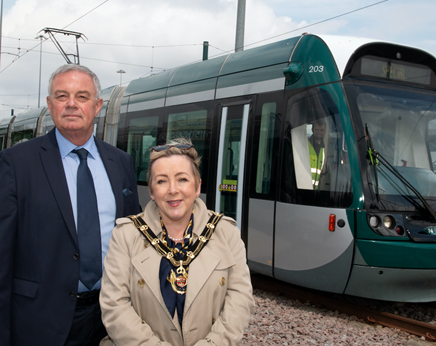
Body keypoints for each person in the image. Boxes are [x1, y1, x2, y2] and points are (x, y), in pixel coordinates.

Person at [0, 64, 141, 346]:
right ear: (50, 105)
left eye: (82, 96)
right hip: (39, 320)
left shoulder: (121, 163)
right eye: (62, 96)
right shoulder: (16, 163)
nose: (72, 104)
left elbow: (134, 239)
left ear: (98, 105)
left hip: (109, 317)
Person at [100, 139, 254, 346]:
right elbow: (115, 306)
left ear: (197, 186)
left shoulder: (226, 232)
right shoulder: (126, 236)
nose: (173, 190)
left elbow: (240, 299)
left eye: (182, 179)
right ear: (151, 192)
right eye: (162, 181)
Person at [308, 119, 327, 188]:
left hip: (315, 190)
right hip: (304, 189)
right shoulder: (305, 146)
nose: (319, 132)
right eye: (317, 130)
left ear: (325, 131)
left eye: (322, 130)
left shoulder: (323, 148)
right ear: (312, 130)